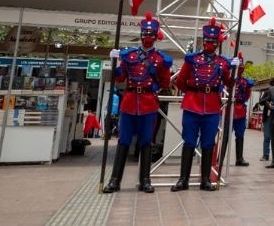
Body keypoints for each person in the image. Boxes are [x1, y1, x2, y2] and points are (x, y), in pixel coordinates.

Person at [103, 13, 172, 194]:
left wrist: (164, 72)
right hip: (129, 102)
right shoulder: (129, 55)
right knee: (123, 141)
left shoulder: (161, 60)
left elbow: (165, 84)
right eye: (145, 33)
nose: (147, 37)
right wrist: (115, 63)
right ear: (141, 35)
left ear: (156, 36)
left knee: (146, 142)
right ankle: (114, 181)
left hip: (148, 103)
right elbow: (120, 78)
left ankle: (145, 181)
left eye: (151, 34)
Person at [171, 18, 235, 192]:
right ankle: (183, 179)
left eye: (213, 42)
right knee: (189, 141)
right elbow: (181, 81)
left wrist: (237, 70)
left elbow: (229, 83)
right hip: (192, 104)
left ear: (217, 43)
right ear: (203, 41)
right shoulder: (192, 59)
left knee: (208, 143)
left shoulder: (223, 63)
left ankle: (205, 179)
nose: (210, 44)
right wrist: (192, 92)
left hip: (212, 106)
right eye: (207, 41)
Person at [232, 62, 254, 166]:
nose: (240, 69)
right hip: (228, 110)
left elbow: (247, 95)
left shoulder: (246, 82)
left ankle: (239, 159)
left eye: (241, 68)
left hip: (240, 110)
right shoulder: (229, 79)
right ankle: (220, 157)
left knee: (240, 135)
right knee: (224, 136)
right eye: (238, 68)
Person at [258, 78, 274, 161]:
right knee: (267, 136)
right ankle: (266, 155)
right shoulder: (267, 92)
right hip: (268, 117)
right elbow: (260, 102)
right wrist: (267, 102)